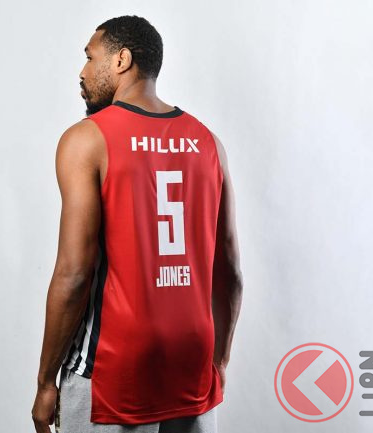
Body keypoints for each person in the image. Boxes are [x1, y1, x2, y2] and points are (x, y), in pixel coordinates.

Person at [31, 15, 243, 433]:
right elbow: (231, 271)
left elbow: (74, 274)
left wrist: (45, 382)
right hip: (191, 359)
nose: (82, 72)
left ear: (121, 60)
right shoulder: (208, 142)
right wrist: (219, 359)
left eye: (90, 57)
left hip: (115, 367)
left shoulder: (88, 139)